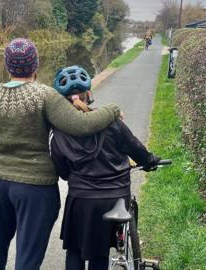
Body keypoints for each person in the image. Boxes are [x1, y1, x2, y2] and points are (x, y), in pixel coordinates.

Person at [0, 39, 122, 270]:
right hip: (34, 187)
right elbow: (81, 125)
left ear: (8, 67)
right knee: (28, 256)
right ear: (34, 66)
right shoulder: (44, 96)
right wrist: (113, 110)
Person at [49, 66, 160, 270]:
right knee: (99, 254)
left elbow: (63, 173)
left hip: (80, 200)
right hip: (115, 196)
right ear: (88, 94)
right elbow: (136, 149)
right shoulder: (112, 122)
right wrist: (150, 160)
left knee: (74, 250)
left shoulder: (57, 133)